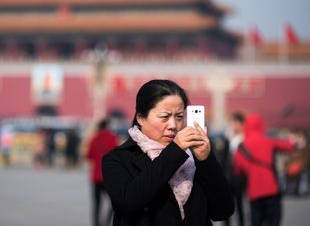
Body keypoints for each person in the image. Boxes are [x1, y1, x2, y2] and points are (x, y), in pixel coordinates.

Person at [102, 79, 234, 226]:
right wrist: (175, 151)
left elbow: (223, 211)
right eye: (164, 117)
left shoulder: (193, 157)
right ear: (141, 118)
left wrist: (206, 160)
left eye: (178, 117)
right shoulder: (118, 158)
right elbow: (129, 201)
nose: (173, 125)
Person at [233, 113, 294, 226]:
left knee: (256, 221)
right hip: (271, 189)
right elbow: (289, 146)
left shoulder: (241, 147)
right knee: (273, 221)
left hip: (254, 192)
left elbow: (238, 169)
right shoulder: (268, 141)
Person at [86, 119, 118, 226]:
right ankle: (107, 222)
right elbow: (116, 155)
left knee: (97, 203)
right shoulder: (113, 138)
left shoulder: (94, 139)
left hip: (96, 177)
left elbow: (89, 156)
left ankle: (96, 223)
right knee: (114, 201)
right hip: (108, 176)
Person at [223, 112, 247, 226]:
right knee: (227, 204)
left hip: (239, 175)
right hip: (228, 174)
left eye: (234, 122)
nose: (232, 125)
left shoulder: (244, 138)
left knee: (240, 204)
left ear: (241, 123)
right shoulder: (228, 137)